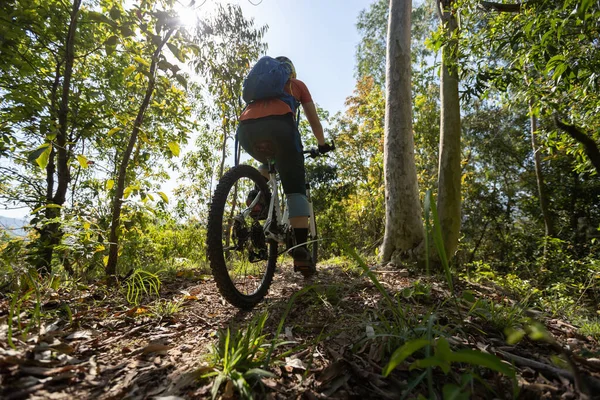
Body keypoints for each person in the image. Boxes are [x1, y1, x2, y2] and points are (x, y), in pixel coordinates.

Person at [237, 56, 333, 276]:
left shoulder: (260, 88)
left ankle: (258, 197)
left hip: (246, 131)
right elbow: (313, 120)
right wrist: (322, 145)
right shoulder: (295, 85)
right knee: (295, 188)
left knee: (267, 159)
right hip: (281, 130)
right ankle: (300, 252)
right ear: (291, 71)